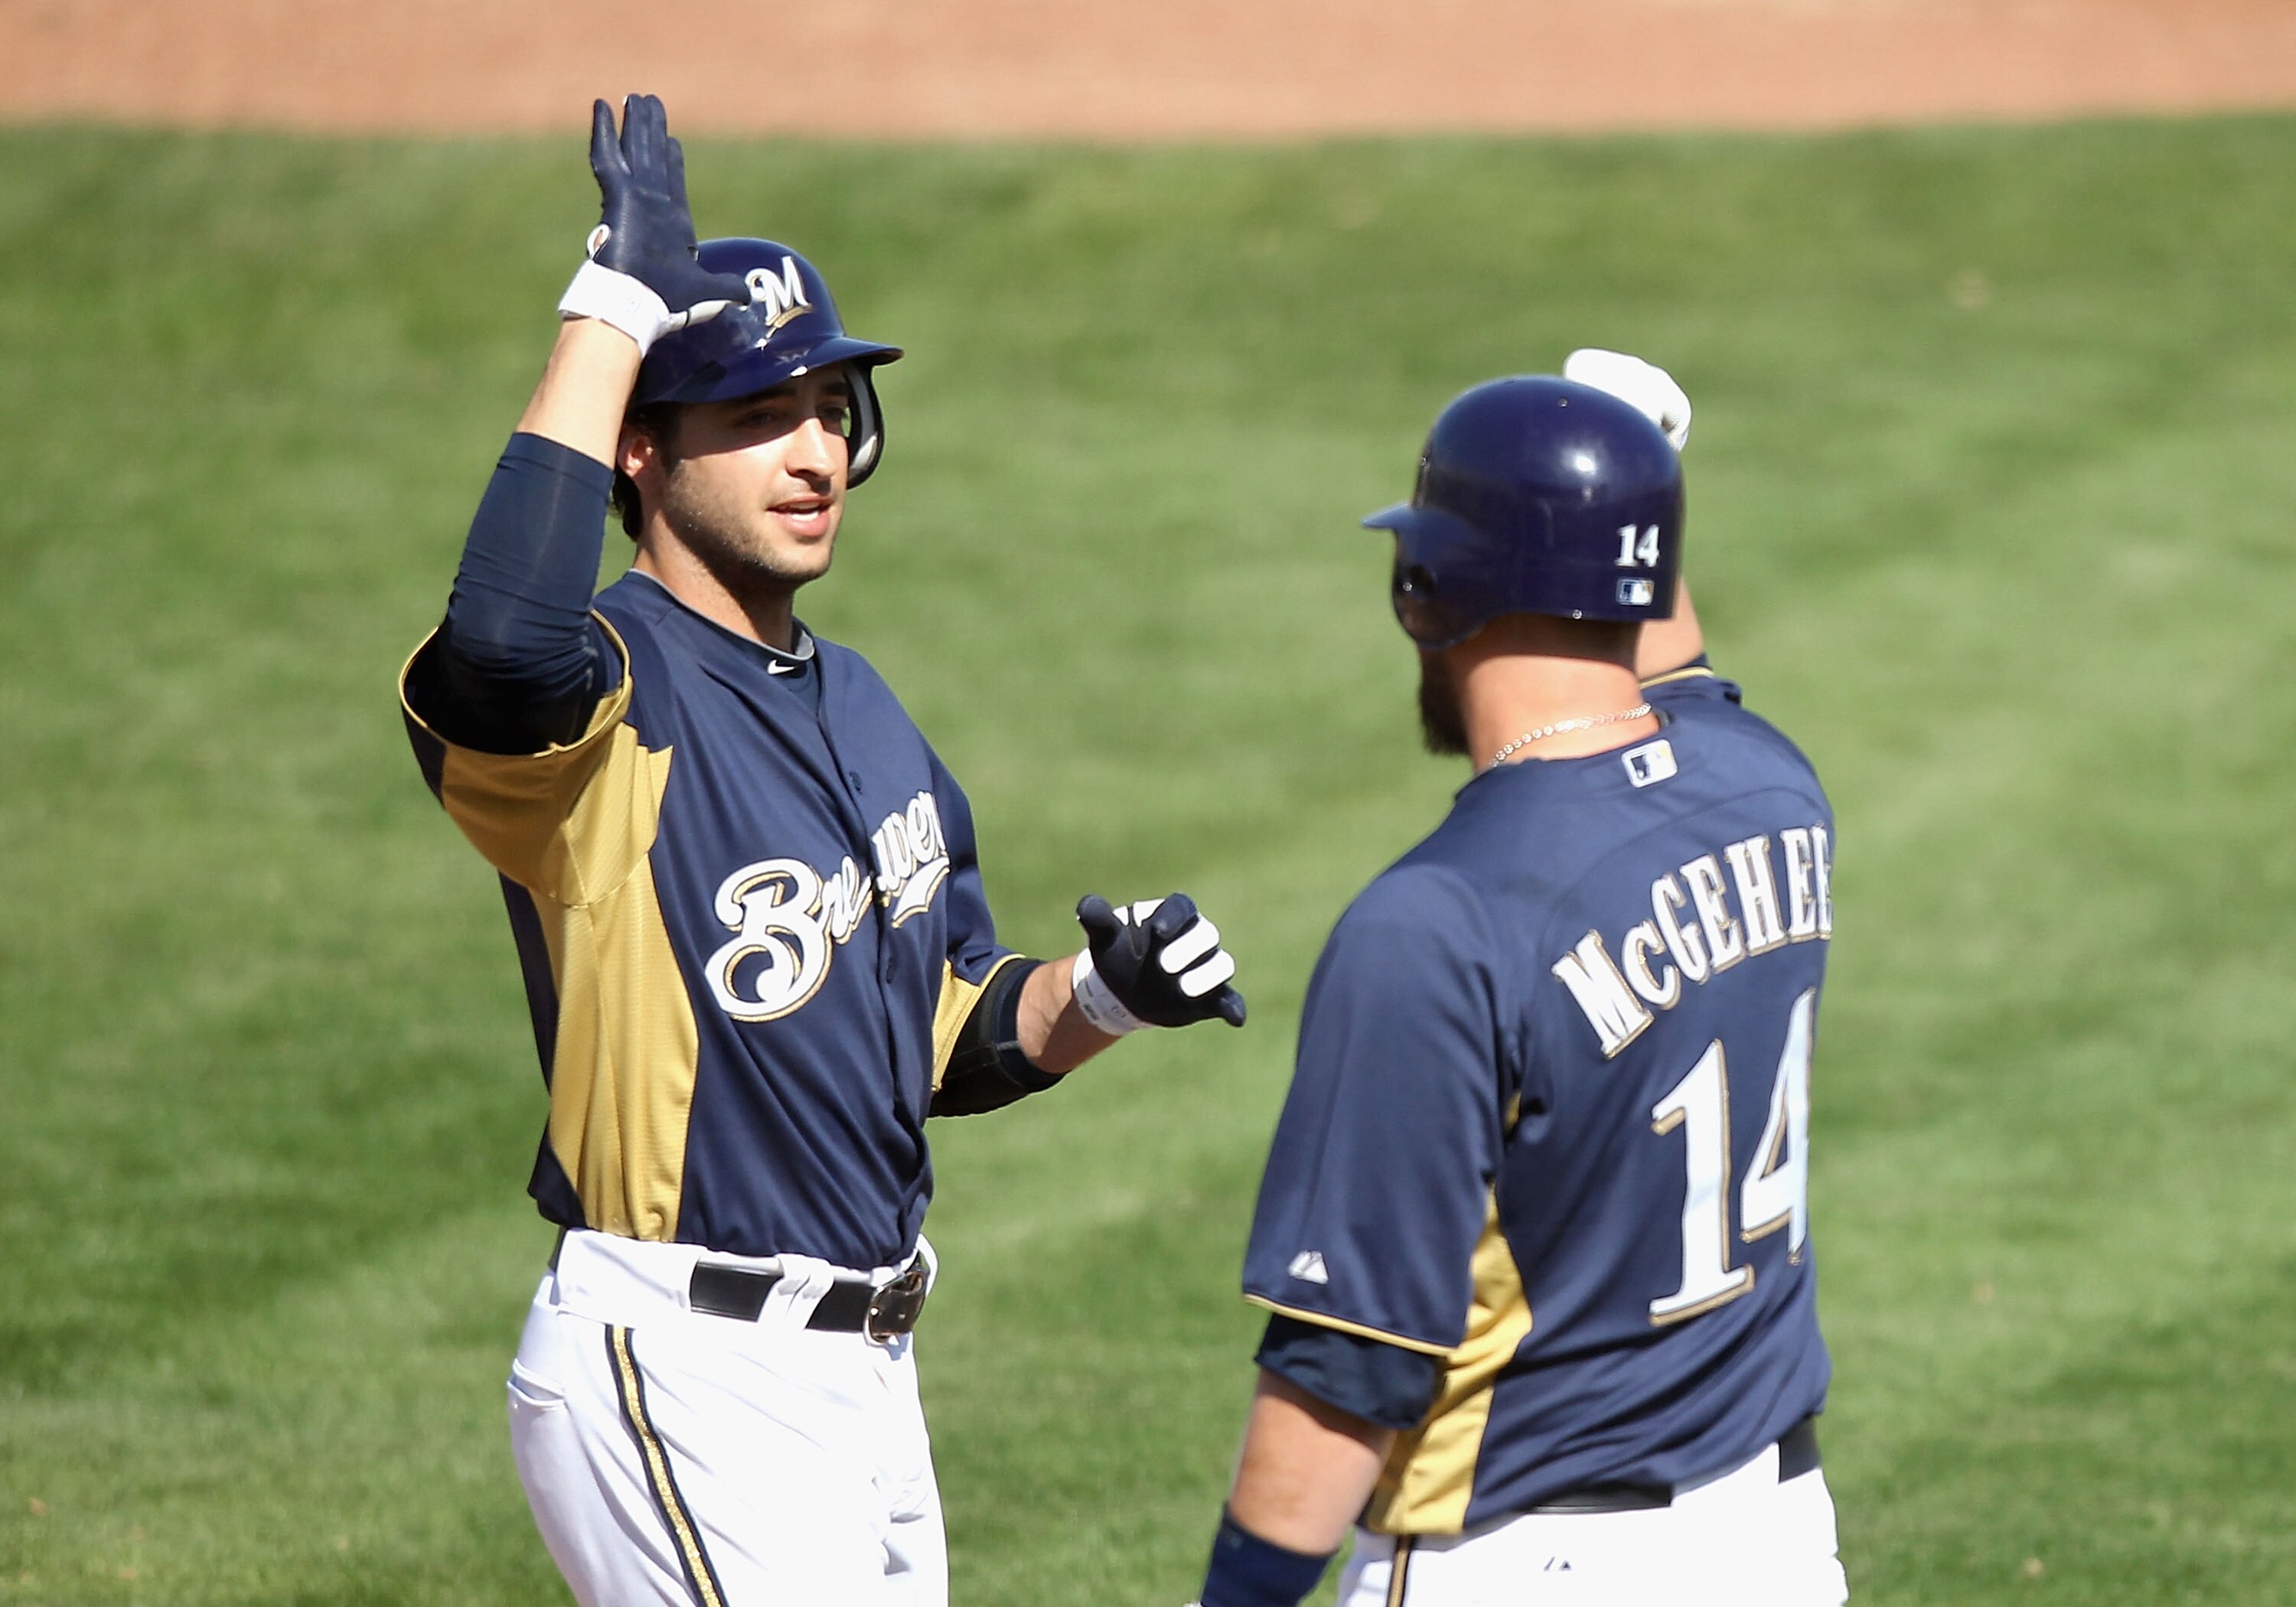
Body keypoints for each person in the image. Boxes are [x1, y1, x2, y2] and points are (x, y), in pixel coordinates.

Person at [398, 94, 1247, 1607]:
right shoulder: (604, 705)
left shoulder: (860, 704)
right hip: (680, 1354)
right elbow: (493, 647)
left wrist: (1104, 996)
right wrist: (612, 304)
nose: (813, 452)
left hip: (863, 1379)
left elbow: (929, 1035)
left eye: (830, 409)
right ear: (644, 456)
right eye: (755, 415)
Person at [1192, 355, 1848, 1607]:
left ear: (1423, 593)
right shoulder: (1774, 788)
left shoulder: (1433, 926)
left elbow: (1351, 1372)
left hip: (1523, 1557)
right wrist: (1636, 474)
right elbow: (1682, 674)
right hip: (1774, 1543)